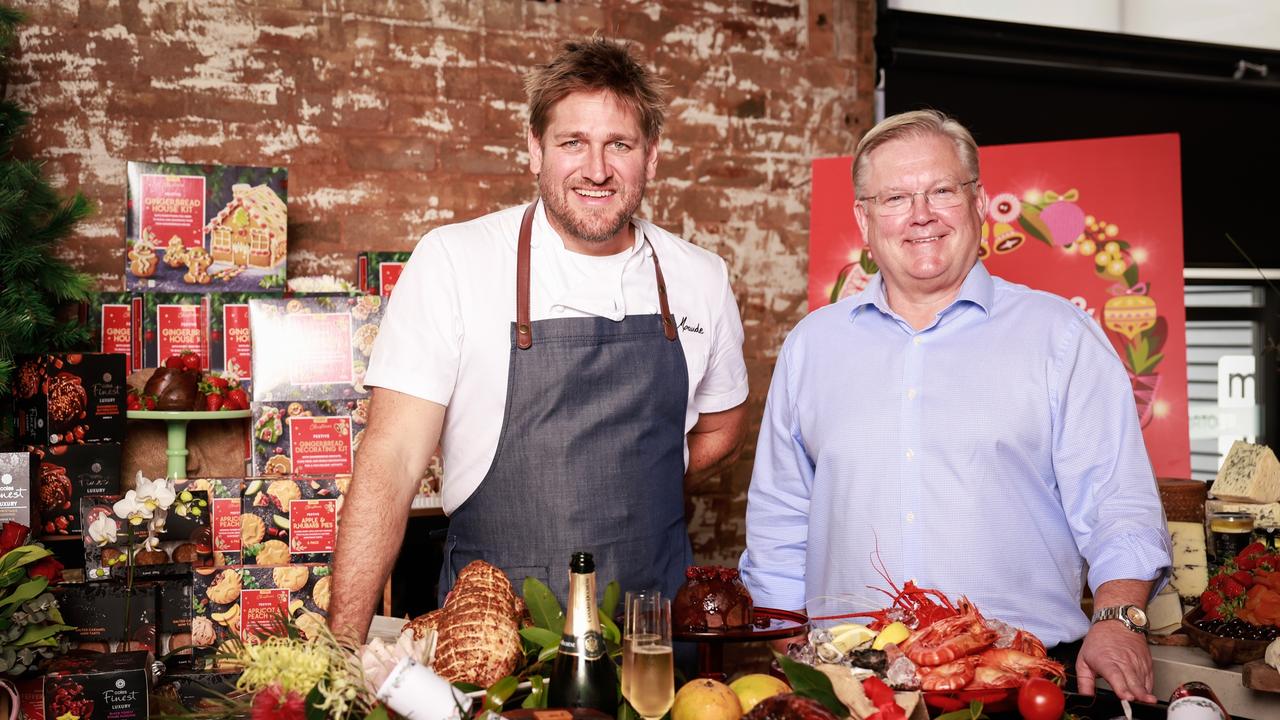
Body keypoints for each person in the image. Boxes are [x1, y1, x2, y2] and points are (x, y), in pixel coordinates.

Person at [739, 110, 1172, 702]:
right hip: (851, 687)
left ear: (979, 203)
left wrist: (1120, 620)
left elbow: (1118, 501)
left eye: (941, 190)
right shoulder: (811, 346)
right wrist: (791, 651)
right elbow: (779, 519)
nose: (921, 215)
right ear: (864, 219)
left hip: (1020, 683)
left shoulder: (1060, 336)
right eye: (895, 197)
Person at [329, 38, 749, 642]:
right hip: (496, 646)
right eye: (572, 142)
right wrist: (344, 650)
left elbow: (724, 428)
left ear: (651, 157)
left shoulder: (699, 276)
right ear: (534, 149)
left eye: (620, 145)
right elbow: (391, 460)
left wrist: (635, 479)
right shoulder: (456, 260)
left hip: (656, 644)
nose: (597, 169)